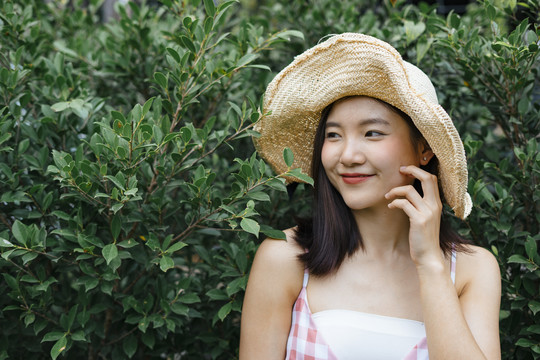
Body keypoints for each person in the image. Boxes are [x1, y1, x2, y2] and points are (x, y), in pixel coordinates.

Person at [239, 33, 501, 359]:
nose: (348, 155)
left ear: (423, 149)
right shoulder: (284, 258)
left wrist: (431, 265)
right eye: (333, 135)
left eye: (372, 133)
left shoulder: (471, 271)